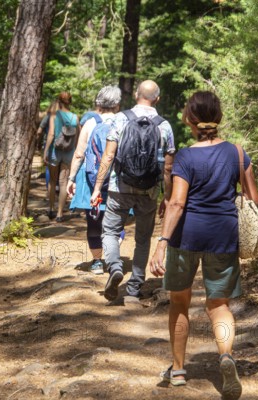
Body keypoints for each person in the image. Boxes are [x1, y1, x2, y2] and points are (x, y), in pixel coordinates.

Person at [148, 91, 258, 400]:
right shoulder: (237, 153)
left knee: (180, 302)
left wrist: (161, 243)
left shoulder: (185, 156)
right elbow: (253, 199)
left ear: (190, 119)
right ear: (218, 117)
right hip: (223, 235)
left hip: (187, 236)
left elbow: (177, 203)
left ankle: (179, 370)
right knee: (219, 305)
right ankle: (225, 356)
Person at [90, 80, 175, 301]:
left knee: (109, 231)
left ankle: (115, 267)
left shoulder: (121, 119)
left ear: (136, 94)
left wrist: (98, 187)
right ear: (157, 98)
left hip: (120, 188)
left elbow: (108, 156)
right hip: (149, 191)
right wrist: (167, 196)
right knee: (143, 239)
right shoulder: (164, 126)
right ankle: (133, 290)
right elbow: (168, 167)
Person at [67, 86, 125, 275]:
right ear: (117, 104)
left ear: (98, 103)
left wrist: (71, 178)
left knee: (93, 221)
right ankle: (113, 248)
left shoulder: (91, 123)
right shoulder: (124, 122)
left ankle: (97, 262)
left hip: (90, 178)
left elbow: (79, 154)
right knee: (117, 218)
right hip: (118, 178)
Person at [44, 92, 79, 222]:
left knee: (53, 181)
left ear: (59, 101)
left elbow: (51, 134)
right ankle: (60, 214)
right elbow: (77, 137)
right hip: (69, 153)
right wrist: (75, 152)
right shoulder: (75, 118)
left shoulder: (55, 116)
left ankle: (51, 208)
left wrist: (46, 151)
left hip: (55, 151)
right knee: (64, 183)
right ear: (70, 102)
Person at [37, 100, 59, 190]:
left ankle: (49, 191)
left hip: (50, 145)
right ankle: (57, 189)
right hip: (63, 146)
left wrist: (38, 142)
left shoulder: (48, 116)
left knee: (49, 168)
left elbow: (39, 131)